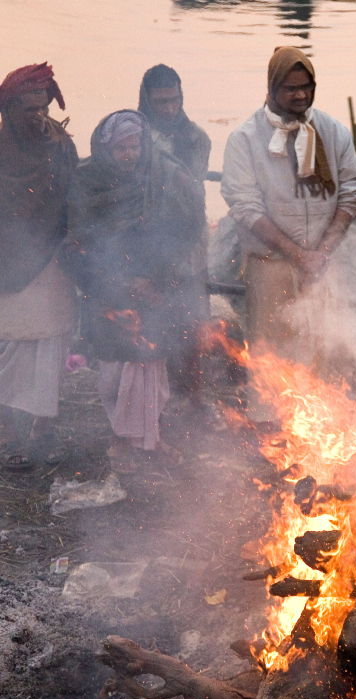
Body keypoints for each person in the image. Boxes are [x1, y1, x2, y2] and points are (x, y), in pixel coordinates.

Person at [221, 46, 356, 425]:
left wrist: (322, 250)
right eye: (291, 88)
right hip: (270, 267)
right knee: (275, 356)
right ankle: (273, 440)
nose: (300, 95)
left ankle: (328, 434)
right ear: (271, 88)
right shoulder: (245, 138)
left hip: (324, 265)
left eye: (307, 87)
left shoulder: (332, 132)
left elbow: (353, 190)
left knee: (328, 351)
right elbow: (245, 205)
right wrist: (297, 254)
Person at [67, 110, 205, 471]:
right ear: (104, 149)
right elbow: (80, 238)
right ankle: (120, 440)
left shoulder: (163, 176)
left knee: (150, 364)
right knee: (115, 369)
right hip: (107, 288)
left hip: (154, 287)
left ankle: (148, 439)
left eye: (135, 146)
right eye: (121, 148)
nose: (129, 155)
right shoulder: (88, 182)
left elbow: (185, 229)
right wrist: (116, 280)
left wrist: (155, 279)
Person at [0, 62, 78, 470]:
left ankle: (43, 430)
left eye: (42, 108)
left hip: (53, 259)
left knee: (52, 346)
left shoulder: (60, 143)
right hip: (7, 266)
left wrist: (74, 242)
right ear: (8, 110)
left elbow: (74, 199)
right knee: (12, 350)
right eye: (27, 109)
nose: (37, 116)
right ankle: (12, 437)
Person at [138, 64, 213, 413]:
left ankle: (195, 396)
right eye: (161, 102)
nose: (169, 109)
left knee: (193, 318)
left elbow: (189, 193)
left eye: (174, 100)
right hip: (145, 242)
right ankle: (155, 400)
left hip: (188, 240)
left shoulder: (196, 138)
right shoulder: (133, 136)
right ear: (147, 101)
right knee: (152, 319)